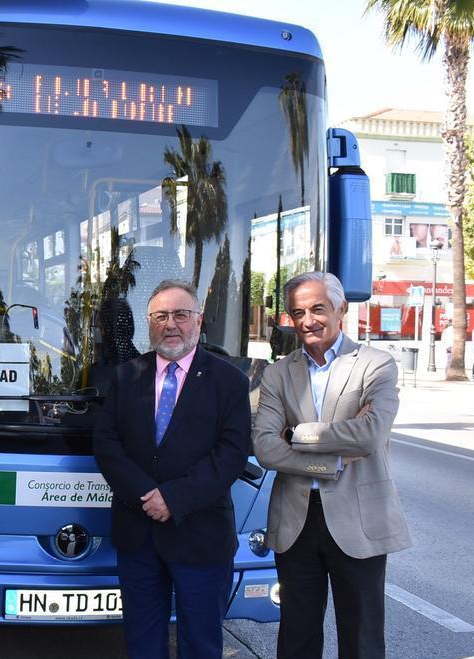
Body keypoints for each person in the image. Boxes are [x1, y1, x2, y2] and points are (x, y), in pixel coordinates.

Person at [252, 271, 410, 659]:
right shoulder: (276, 373)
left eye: (318, 309)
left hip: (360, 519)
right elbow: (265, 448)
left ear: (341, 309)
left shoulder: (376, 364)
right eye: (298, 312)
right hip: (296, 522)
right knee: (297, 638)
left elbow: (371, 435)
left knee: (362, 639)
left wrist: (296, 434)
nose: (308, 320)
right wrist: (332, 458)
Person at [94, 280, 251, 659]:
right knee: (142, 642)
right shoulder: (125, 376)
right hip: (138, 534)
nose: (171, 324)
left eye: (181, 314)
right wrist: (146, 497)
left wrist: (173, 498)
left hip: (201, 536)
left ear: (198, 321)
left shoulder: (229, 380)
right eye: (161, 315)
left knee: (200, 644)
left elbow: (231, 453)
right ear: (149, 323)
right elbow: (106, 444)